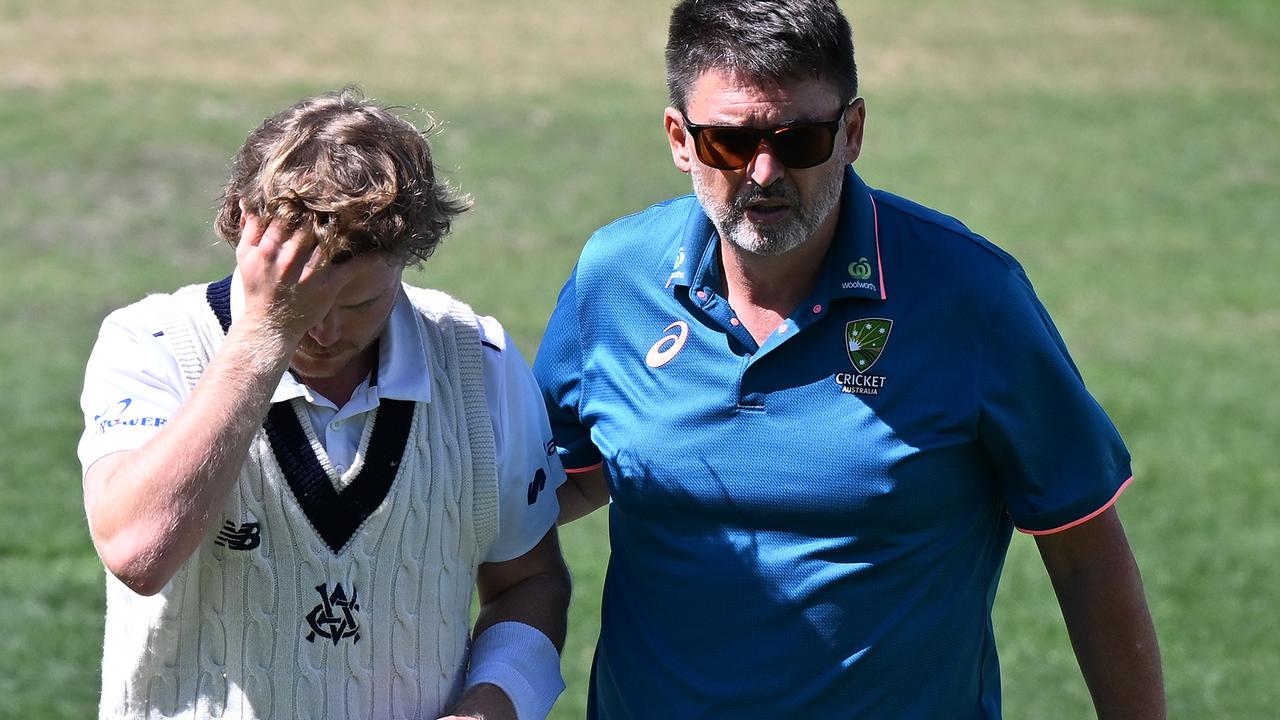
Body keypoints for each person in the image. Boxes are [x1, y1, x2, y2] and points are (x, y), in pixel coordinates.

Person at [533, 1, 1165, 717]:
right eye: (729, 144)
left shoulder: (972, 296)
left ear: (853, 132)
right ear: (680, 139)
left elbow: (1084, 550)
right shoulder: (613, 279)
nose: (764, 173)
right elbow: (555, 482)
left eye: (799, 140)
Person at [78, 88, 570, 720]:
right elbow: (139, 552)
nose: (326, 332)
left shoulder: (479, 361)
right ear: (241, 230)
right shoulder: (150, 343)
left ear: (406, 261)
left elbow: (528, 581)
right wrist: (264, 332)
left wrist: (494, 704)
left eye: (358, 305)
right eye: (304, 304)